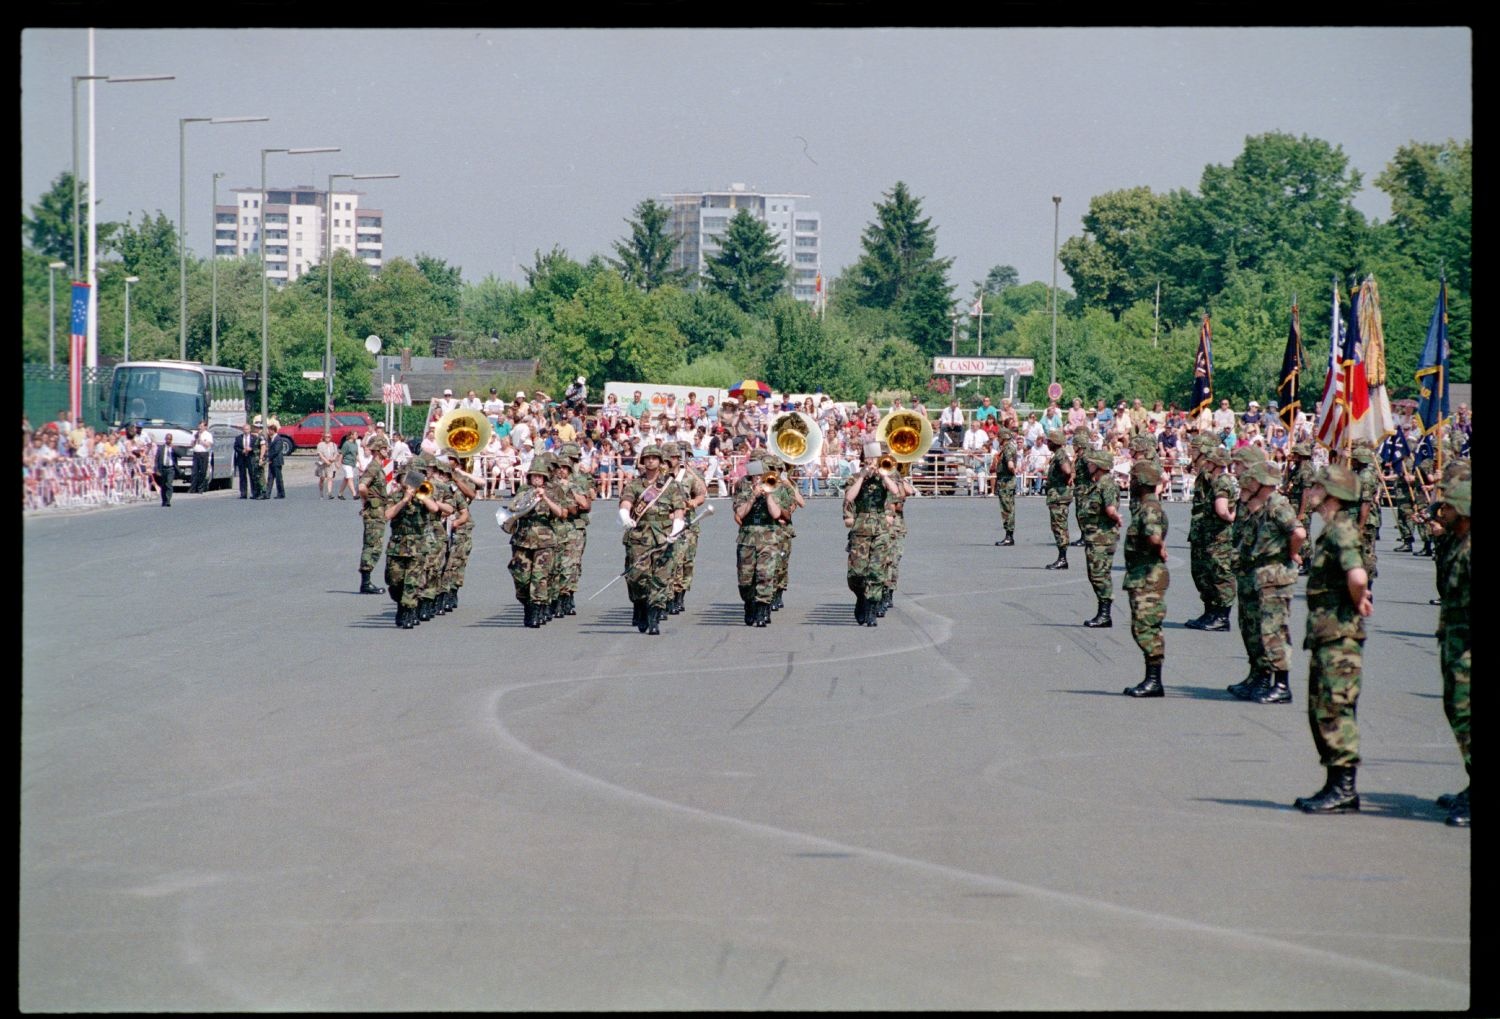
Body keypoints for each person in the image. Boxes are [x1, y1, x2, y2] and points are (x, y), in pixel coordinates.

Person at [1294, 464, 1374, 813]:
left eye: (1317, 488)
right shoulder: (1333, 529)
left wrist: (1358, 598)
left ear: (1331, 494)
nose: (1311, 492)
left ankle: (1344, 789)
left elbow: (1357, 574)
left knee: (1335, 708)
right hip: (1328, 632)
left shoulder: (1341, 530)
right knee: (1322, 709)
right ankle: (1334, 783)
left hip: (1340, 635)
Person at [1228, 461, 1305, 704]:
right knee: (1253, 628)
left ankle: (1282, 685)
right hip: (1260, 574)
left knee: (1274, 630)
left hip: (1276, 575)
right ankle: (1259, 676)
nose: (1248, 483)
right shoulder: (1261, 505)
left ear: (1264, 483)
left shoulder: (1278, 504)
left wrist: (1292, 553)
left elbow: (1299, 532)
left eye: (1253, 480)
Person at [1430, 479, 1471, 826]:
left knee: (1467, 714)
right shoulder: (1459, 543)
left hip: (1468, 648)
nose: (1444, 512)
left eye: (1451, 507)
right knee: (1458, 712)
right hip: (1456, 644)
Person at [618, 444, 687, 636]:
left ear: (660, 461)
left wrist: (676, 529)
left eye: (654, 458)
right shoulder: (635, 484)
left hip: (663, 537)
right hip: (639, 537)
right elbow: (626, 502)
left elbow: (679, 510)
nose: (650, 461)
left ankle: (654, 618)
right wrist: (625, 515)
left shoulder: (671, 485)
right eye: (647, 458)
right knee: (637, 578)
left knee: (661, 579)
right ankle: (640, 605)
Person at [1121, 459, 1170, 697]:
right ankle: (1152, 679)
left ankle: (1154, 681)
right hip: (1143, 574)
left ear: (1140, 482)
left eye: (1132, 479)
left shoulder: (1149, 508)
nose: (1129, 483)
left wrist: (1159, 548)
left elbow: (1153, 536)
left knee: (1146, 626)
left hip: (1148, 576)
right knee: (1143, 626)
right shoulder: (1148, 505)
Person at [843, 440, 903, 626]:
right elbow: (849, 497)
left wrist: (884, 475)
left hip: (881, 529)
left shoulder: (885, 476)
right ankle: (861, 597)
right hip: (860, 529)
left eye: (875, 458)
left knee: (877, 572)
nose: (872, 461)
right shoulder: (855, 478)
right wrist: (862, 476)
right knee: (857, 574)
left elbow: (897, 493)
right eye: (869, 458)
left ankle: (870, 608)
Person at [1185, 444, 1236, 630]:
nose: (1206, 464)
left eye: (1209, 461)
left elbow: (1223, 510)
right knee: (1206, 574)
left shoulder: (1222, 482)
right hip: (1208, 534)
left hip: (1219, 537)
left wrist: (1230, 517)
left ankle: (1222, 617)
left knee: (1220, 575)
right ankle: (1210, 613)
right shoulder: (1214, 480)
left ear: (1216, 464)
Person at [734, 450, 785, 627]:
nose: (758, 479)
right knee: (745, 580)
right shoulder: (742, 487)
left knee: (766, 575)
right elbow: (739, 514)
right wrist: (753, 495)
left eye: (760, 475)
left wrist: (768, 494)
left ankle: (763, 609)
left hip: (769, 537)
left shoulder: (774, 485)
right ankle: (749, 604)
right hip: (747, 538)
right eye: (755, 476)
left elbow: (777, 514)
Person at [1080, 449, 1122, 628]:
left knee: (1099, 574)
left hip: (1102, 537)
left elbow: (1110, 508)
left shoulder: (1107, 484)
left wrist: (1116, 517)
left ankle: (1105, 614)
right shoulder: (1097, 483)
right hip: (1095, 536)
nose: (1089, 465)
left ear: (1100, 466)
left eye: (1092, 463)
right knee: (1094, 573)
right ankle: (1102, 612)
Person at [355, 433, 392, 595]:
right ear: (378, 450)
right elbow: (362, 486)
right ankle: (366, 582)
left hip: (378, 510)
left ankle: (366, 580)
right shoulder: (374, 467)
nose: (387, 451)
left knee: (374, 544)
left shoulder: (378, 467)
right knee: (373, 545)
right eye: (384, 448)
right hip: (374, 511)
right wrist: (366, 502)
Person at [1042, 430, 1074, 570]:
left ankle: (1062, 559)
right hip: (1058, 495)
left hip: (1059, 496)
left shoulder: (1060, 455)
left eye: (1049, 441)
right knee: (1059, 526)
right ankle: (1062, 557)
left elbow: (1067, 470)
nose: (1047, 443)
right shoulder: (1059, 454)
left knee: (1059, 527)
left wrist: (1066, 478)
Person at [991, 427, 1019, 546]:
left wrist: (1013, 471)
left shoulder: (1007, 448)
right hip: (1006, 481)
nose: (998, 439)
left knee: (1007, 509)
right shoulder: (1009, 447)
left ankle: (1009, 536)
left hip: (1006, 482)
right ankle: (1009, 535)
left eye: (999, 437)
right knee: (1009, 508)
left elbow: (1010, 464)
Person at [233, 421, 258, 499]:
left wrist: (251, 449)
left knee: (252, 476)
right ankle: (243, 493)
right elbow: (236, 447)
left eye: (247, 429)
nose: (246, 431)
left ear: (250, 430)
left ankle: (254, 493)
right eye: (244, 429)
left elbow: (257, 447)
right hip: (242, 458)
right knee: (242, 476)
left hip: (250, 458)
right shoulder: (238, 438)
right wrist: (242, 451)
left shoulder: (254, 438)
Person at [264, 420, 287, 498]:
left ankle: (281, 493)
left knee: (278, 478)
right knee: (270, 478)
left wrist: (269, 457)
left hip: (277, 461)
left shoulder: (278, 439)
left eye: (269, 430)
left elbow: (276, 450)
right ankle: (267, 494)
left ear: (273, 431)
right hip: (272, 461)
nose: (268, 432)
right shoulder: (270, 439)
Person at [189, 420, 213, 494]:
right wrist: (194, 441)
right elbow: (192, 445)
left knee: (202, 472)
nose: (200, 428)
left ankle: (201, 488)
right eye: (199, 426)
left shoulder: (208, 435)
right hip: (196, 454)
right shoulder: (195, 434)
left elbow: (208, 445)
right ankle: (193, 489)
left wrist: (201, 440)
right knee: (194, 472)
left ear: (205, 427)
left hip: (203, 454)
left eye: (202, 426)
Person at [153, 432, 177, 507]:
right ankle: (164, 500)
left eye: (170, 439)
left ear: (171, 440)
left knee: (169, 484)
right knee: (163, 485)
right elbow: (156, 459)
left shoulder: (173, 448)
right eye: (167, 439)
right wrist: (156, 469)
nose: (168, 440)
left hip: (170, 468)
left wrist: (174, 449)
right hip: (162, 468)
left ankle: (168, 500)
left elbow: (181, 454)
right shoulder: (161, 448)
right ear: (165, 439)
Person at [316, 430, 339, 499]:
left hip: (331, 464)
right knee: (322, 478)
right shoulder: (320, 444)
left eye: (329, 437)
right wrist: (326, 461)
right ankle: (321, 493)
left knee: (330, 478)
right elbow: (320, 454)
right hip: (322, 464)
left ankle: (329, 493)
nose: (327, 438)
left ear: (331, 437)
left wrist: (333, 458)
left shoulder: (334, 445)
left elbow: (336, 453)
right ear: (324, 437)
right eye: (326, 437)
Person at [337, 431, 361, 500]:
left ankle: (340, 493)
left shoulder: (355, 443)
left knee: (346, 479)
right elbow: (342, 454)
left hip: (352, 463)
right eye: (355, 434)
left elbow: (356, 454)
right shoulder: (346, 444)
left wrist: (359, 463)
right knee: (350, 478)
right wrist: (339, 463)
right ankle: (354, 494)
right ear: (351, 435)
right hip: (346, 463)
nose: (357, 435)